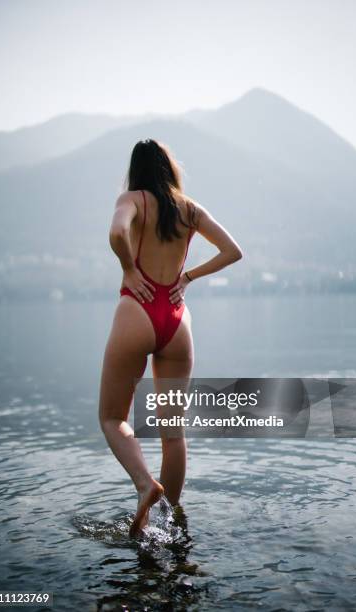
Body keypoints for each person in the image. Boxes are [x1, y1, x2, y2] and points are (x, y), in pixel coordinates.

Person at [98, 138, 243, 536]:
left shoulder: (132, 200)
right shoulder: (189, 208)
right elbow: (233, 251)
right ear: (169, 168)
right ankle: (167, 524)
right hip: (177, 321)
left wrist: (129, 268)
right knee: (173, 435)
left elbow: (115, 232)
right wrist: (189, 276)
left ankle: (145, 485)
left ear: (136, 169)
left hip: (137, 311)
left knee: (112, 418)